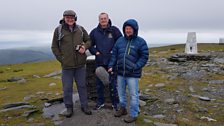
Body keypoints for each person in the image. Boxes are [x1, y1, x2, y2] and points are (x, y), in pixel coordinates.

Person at [51, 10, 92, 118]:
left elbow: (88, 40)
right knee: (67, 88)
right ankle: (69, 108)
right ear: (64, 18)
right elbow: (54, 47)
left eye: (72, 17)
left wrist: (84, 47)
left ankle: (85, 106)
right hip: (67, 66)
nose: (70, 19)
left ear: (75, 18)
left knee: (82, 86)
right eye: (67, 17)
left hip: (80, 65)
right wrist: (62, 59)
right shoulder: (58, 30)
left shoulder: (80, 29)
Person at [108, 19, 149, 123]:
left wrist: (136, 66)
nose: (128, 30)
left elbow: (144, 57)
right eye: (126, 28)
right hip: (120, 73)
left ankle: (134, 114)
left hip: (133, 74)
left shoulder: (140, 42)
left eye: (130, 28)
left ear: (134, 29)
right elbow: (114, 55)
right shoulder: (120, 41)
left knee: (133, 95)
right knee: (121, 93)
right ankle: (123, 109)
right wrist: (111, 65)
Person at [89, 12, 122, 110]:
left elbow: (120, 42)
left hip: (112, 61)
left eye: (105, 18)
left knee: (113, 84)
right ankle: (100, 102)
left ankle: (115, 103)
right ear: (99, 20)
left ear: (108, 19)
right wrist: (95, 52)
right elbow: (89, 44)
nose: (103, 20)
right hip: (99, 61)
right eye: (101, 19)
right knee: (99, 84)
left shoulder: (114, 30)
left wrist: (114, 53)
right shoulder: (94, 32)